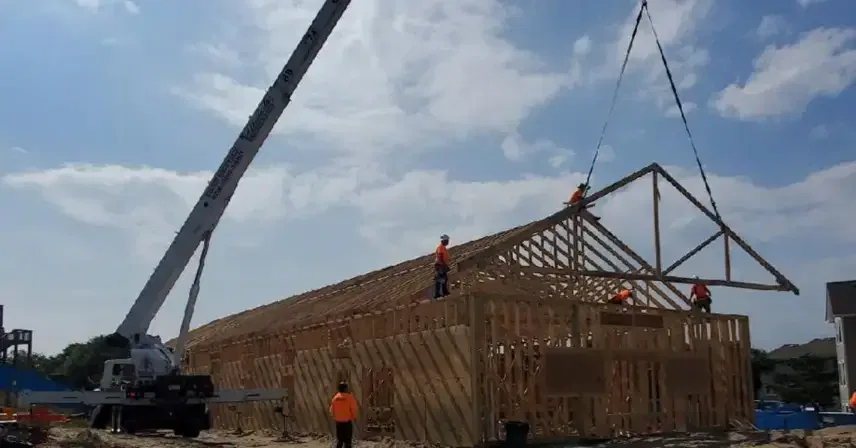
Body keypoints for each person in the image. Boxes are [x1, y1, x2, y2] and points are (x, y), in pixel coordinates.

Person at [329, 382, 358, 448]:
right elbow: (354, 409)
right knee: (348, 442)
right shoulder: (349, 397)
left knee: (340, 441)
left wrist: (335, 417)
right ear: (345, 389)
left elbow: (331, 410)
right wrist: (353, 417)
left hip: (338, 423)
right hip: (347, 422)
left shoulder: (335, 398)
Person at [434, 234, 451, 299]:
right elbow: (440, 257)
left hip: (441, 265)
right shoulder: (441, 247)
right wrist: (444, 266)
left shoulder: (443, 247)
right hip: (440, 265)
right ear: (444, 241)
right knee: (440, 279)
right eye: (447, 241)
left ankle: (444, 292)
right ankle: (438, 294)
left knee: (444, 279)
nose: (448, 242)